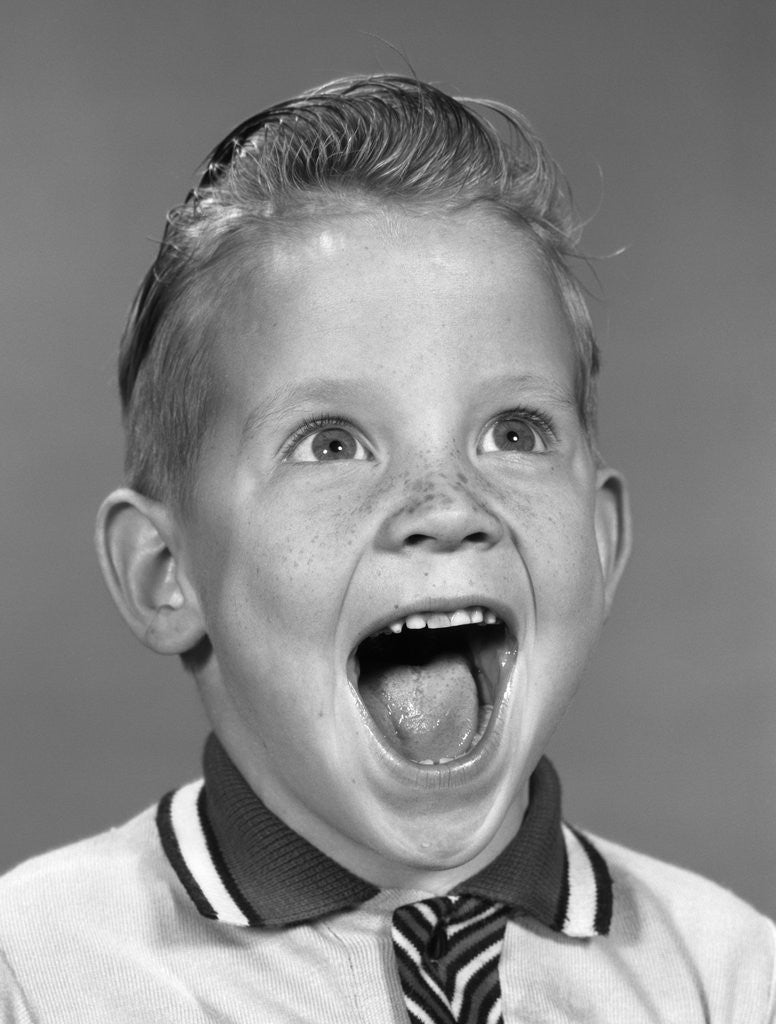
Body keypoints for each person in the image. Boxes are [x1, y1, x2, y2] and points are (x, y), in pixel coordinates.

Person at [0, 74, 773, 1024]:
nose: (446, 508)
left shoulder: (732, 977)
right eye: (332, 443)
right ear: (166, 574)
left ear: (604, 541)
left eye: (515, 433)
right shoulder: (33, 972)